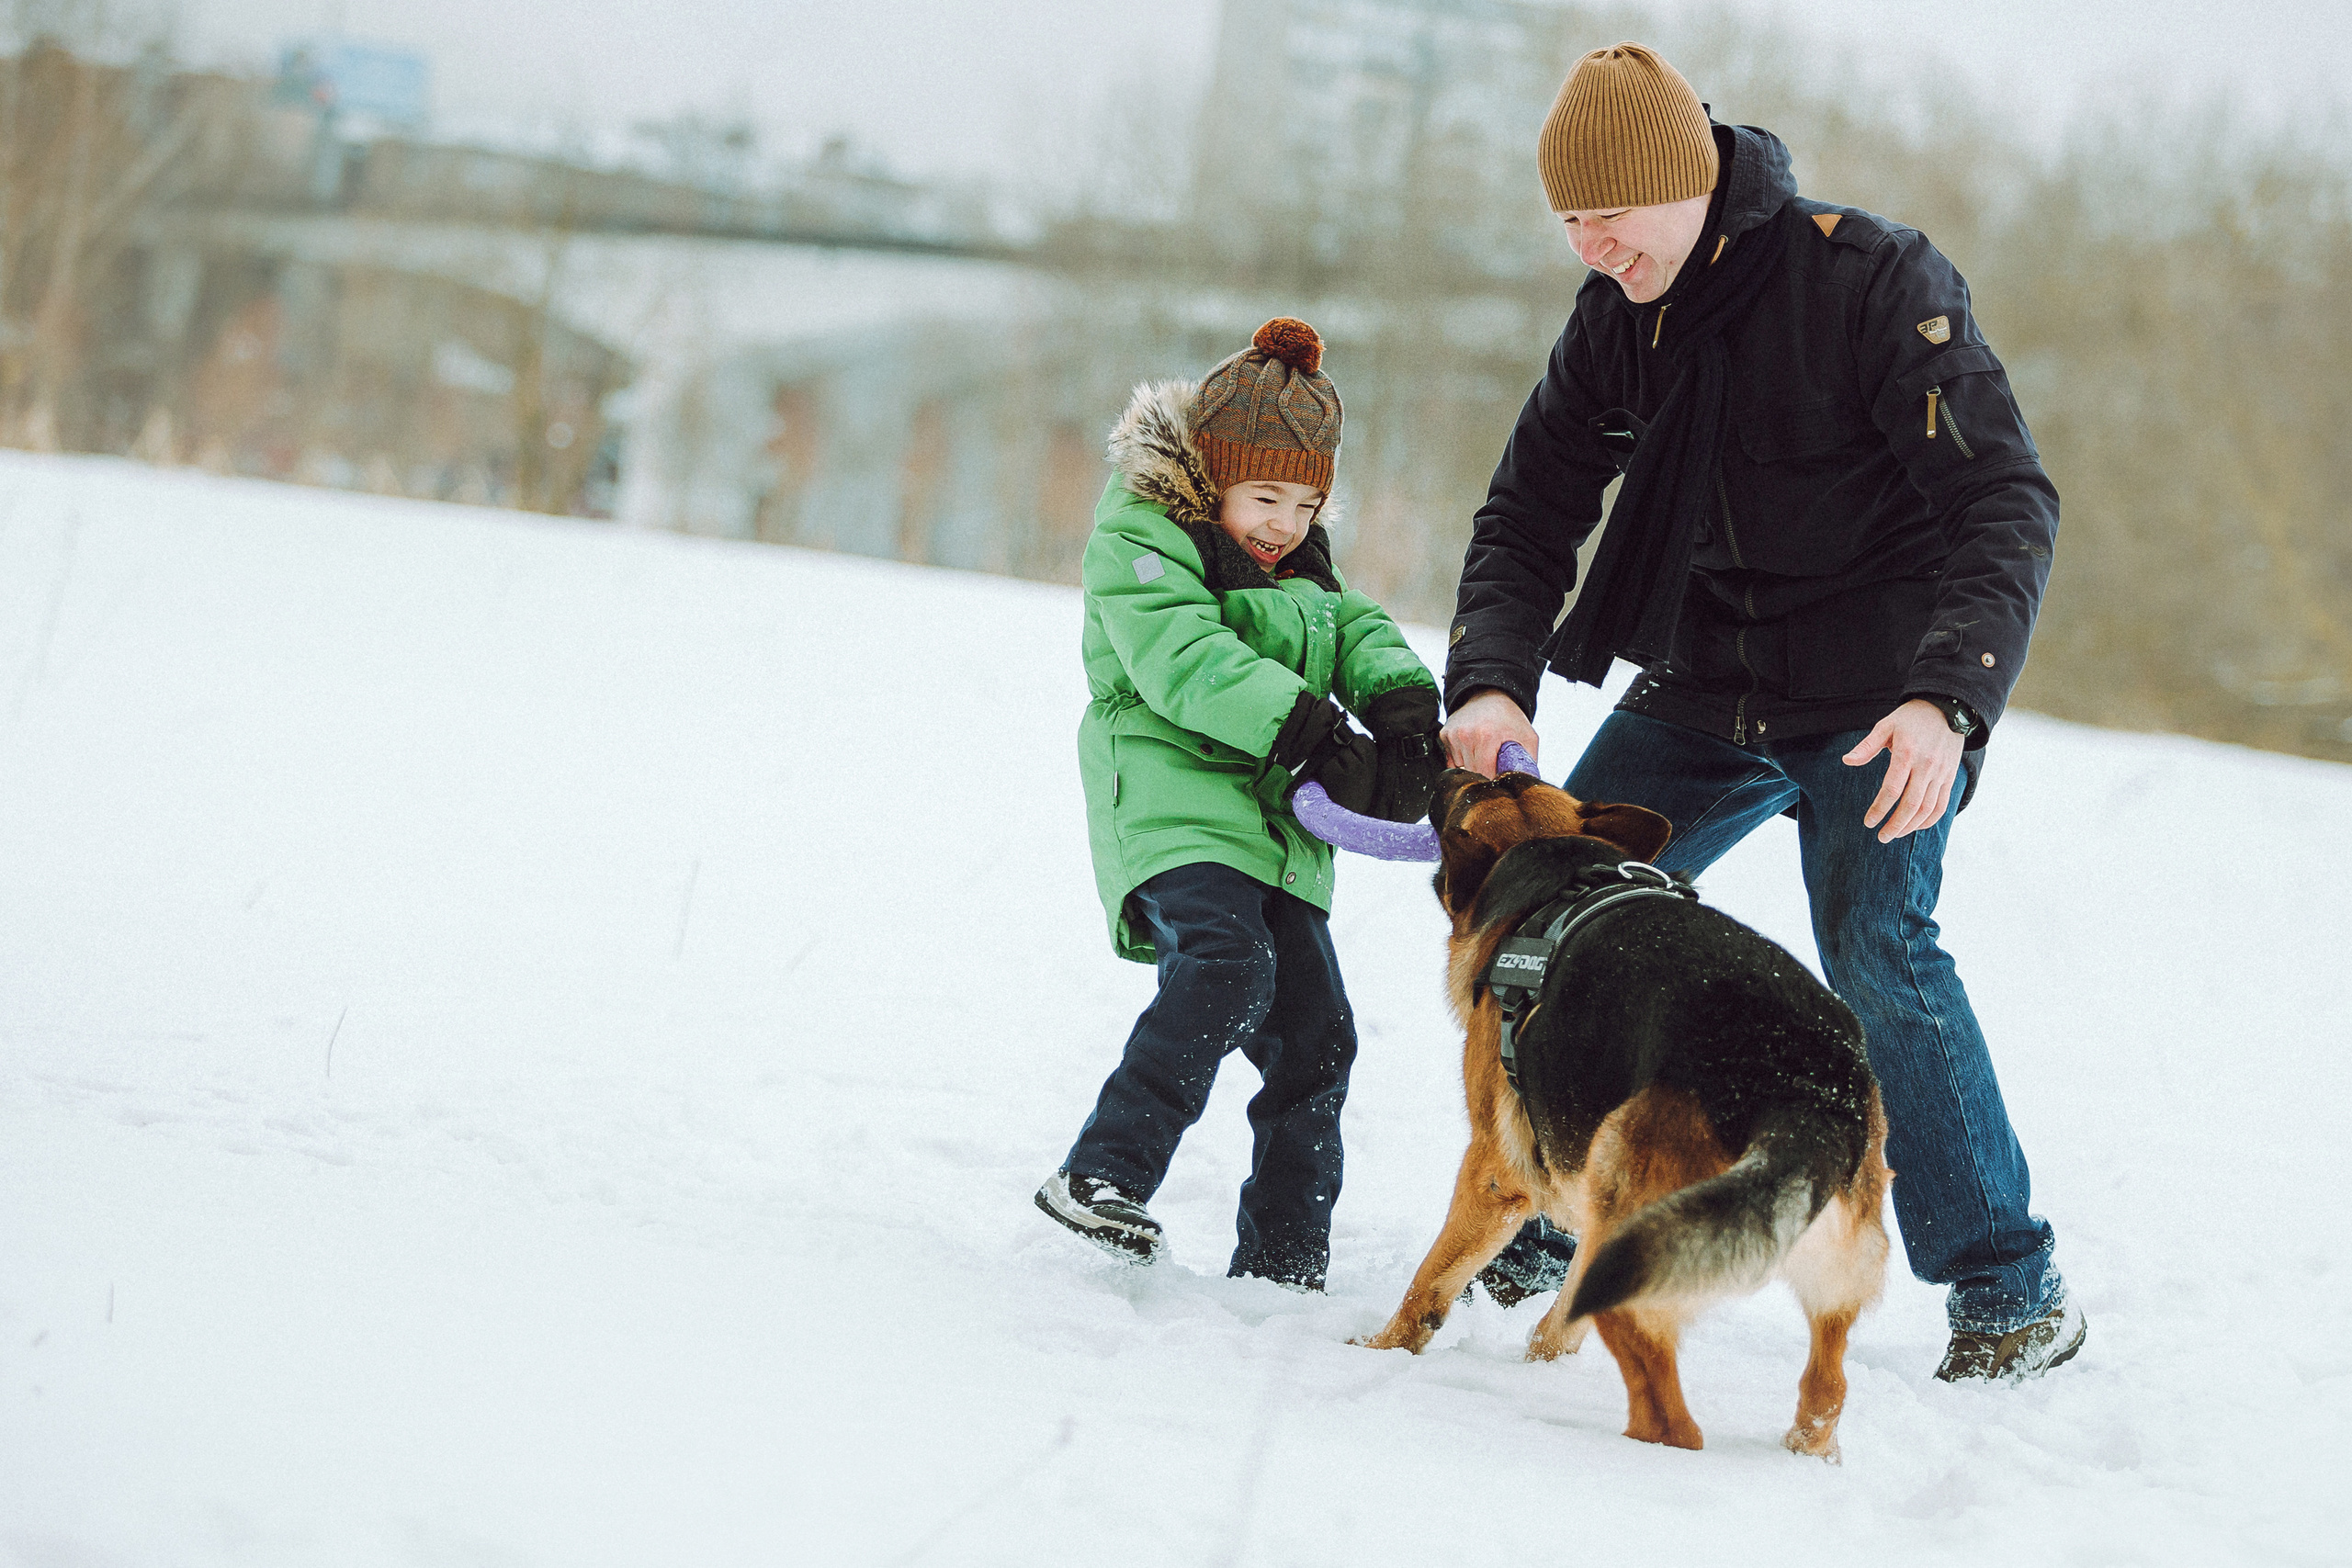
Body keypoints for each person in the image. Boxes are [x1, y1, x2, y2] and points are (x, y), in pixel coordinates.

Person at [1442, 44, 2084, 1382]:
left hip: (1881, 696)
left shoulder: (1868, 281)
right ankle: (1556, 1202)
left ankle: (2011, 1288)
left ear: (1688, 184)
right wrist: (1491, 678)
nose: (1590, 242)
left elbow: (2003, 500)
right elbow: (1531, 510)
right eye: (1568, 218)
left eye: (1609, 215)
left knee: (1878, 947)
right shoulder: (1619, 311)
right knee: (1567, 915)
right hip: (1708, 679)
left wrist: (1947, 702)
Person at [1035, 318, 1444, 1292]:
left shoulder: (1295, 561)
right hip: (1175, 805)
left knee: (1319, 1037)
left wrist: (1401, 705)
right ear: (1209, 475)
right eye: (1264, 496)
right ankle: (1100, 1173)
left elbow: (1351, 625)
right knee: (1228, 965)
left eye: (1307, 503)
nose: (1285, 523)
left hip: (1278, 832)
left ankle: (1282, 1261)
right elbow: (1184, 661)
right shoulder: (1141, 537)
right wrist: (1311, 730)